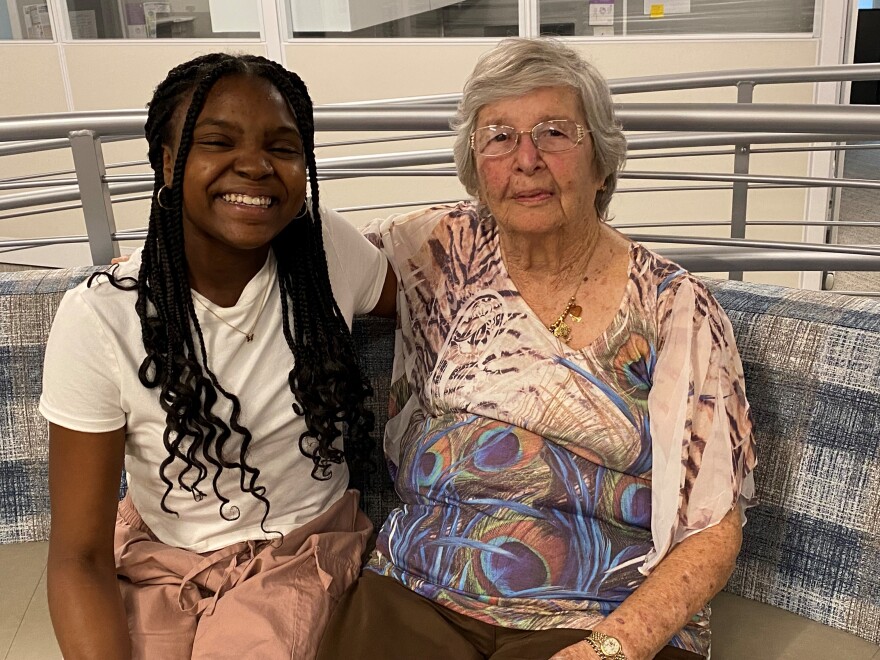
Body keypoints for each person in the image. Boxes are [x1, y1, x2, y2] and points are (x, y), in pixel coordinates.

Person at [317, 38, 756, 660]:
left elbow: (714, 525)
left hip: (596, 611)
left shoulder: (673, 307)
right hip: (416, 588)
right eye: (498, 136)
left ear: (601, 160)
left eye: (554, 132)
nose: (526, 160)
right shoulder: (442, 253)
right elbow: (297, 251)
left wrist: (609, 648)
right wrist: (148, 272)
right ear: (476, 165)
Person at [40, 53, 395, 660]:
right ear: (169, 161)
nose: (256, 166)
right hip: (161, 556)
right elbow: (79, 556)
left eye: (283, 148)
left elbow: (426, 296)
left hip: (303, 551)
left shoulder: (327, 250)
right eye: (217, 141)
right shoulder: (100, 318)